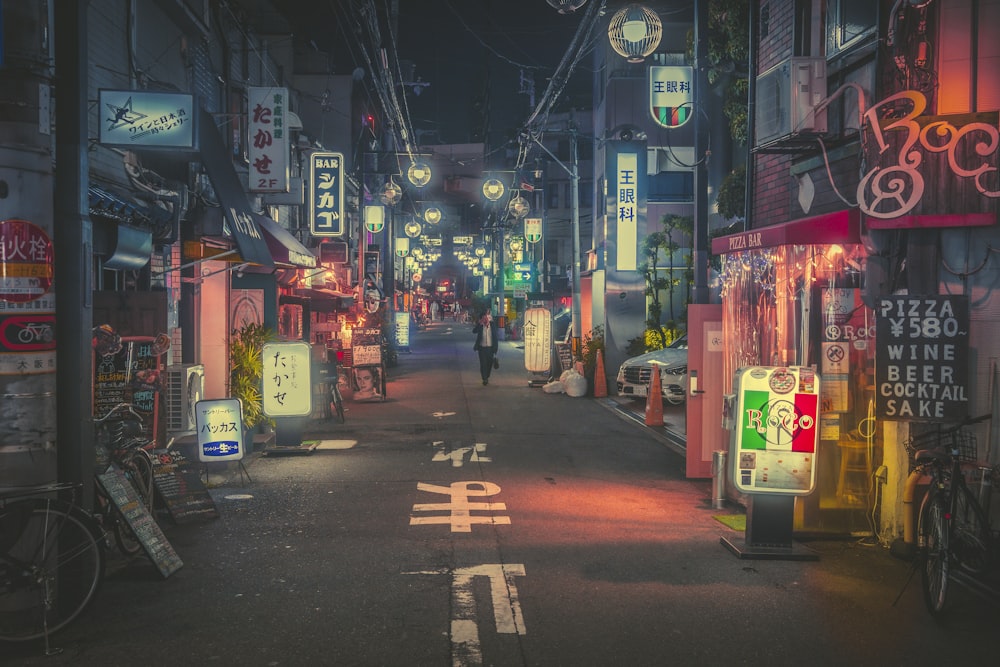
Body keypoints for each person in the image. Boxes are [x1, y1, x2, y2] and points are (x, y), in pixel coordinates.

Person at [472, 311, 499, 385]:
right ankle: (484, 379)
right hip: (482, 348)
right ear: (482, 319)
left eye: (486, 318)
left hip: (490, 348)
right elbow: (474, 331)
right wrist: (479, 324)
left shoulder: (492, 326)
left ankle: (487, 376)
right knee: (483, 364)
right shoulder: (480, 326)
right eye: (484, 318)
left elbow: (495, 337)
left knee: (489, 364)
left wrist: (496, 348)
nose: (485, 319)